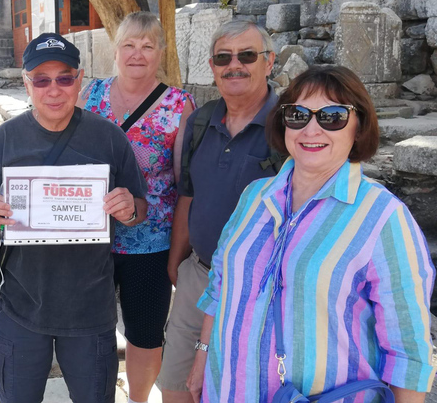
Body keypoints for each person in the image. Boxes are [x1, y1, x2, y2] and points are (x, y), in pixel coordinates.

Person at [187, 64, 436, 402]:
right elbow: (221, 287)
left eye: (332, 116)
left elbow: (407, 347)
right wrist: (202, 355)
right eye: (298, 115)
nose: (311, 129)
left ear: (359, 126)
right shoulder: (255, 196)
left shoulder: (383, 217)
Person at [0, 33, 149, 403]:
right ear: (26, 84)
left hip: (90, 310)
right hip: (21, 307)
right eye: (42, 79)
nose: (54, 89)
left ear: (79, 79)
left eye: (64, 78)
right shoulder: (5, 139)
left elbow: (140, 207)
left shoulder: (109, 138)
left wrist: (128, 207)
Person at [159, 19, 281, 403]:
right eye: (223, 57)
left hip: (261, 286)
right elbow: (188, 194)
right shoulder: (200, 120)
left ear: (269, 61)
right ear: (212, 67)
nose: (235, 65)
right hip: (200, 274)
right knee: (175, 385)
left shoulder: (290, 124)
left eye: (247, 55)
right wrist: (177, 262)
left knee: (238, 388)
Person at [78, 11, 195, 403]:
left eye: (147, 46)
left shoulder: (179, 105)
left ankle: (138, 398)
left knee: (144, 332)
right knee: (89, 328)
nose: (137, 54)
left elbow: (184, 184)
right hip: (89, 236)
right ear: (115, 50)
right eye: (129, 44)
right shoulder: (90, 95)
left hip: (150, 242)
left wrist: (179, 250)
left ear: (161, 52)